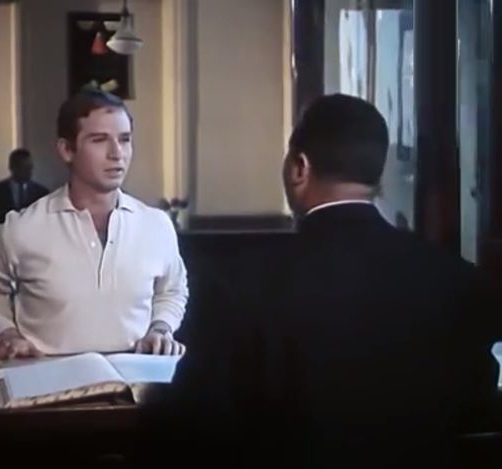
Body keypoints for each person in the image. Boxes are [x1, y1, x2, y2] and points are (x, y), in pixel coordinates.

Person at [144, 94, 501, 467]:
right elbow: (478, 407)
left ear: (299, 167)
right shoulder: (459, 282)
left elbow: (186, 424)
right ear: (377, 175)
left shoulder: (242, 284)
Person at [0, 90, 188, 361]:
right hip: (46, 377)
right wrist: (8, 334)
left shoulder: (156, 226)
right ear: (66, 150)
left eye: (124, 139)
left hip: (136, 378)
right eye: (99, 140)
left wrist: (160, 328)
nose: (117, 153)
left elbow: (172, 290)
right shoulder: (23, 228)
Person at [0, 148, 49, 249]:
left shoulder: (42, 193)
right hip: (1, 247)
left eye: (29, 167)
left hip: (33, 248)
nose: (28, 171)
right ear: (11, 167)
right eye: (22, 167)